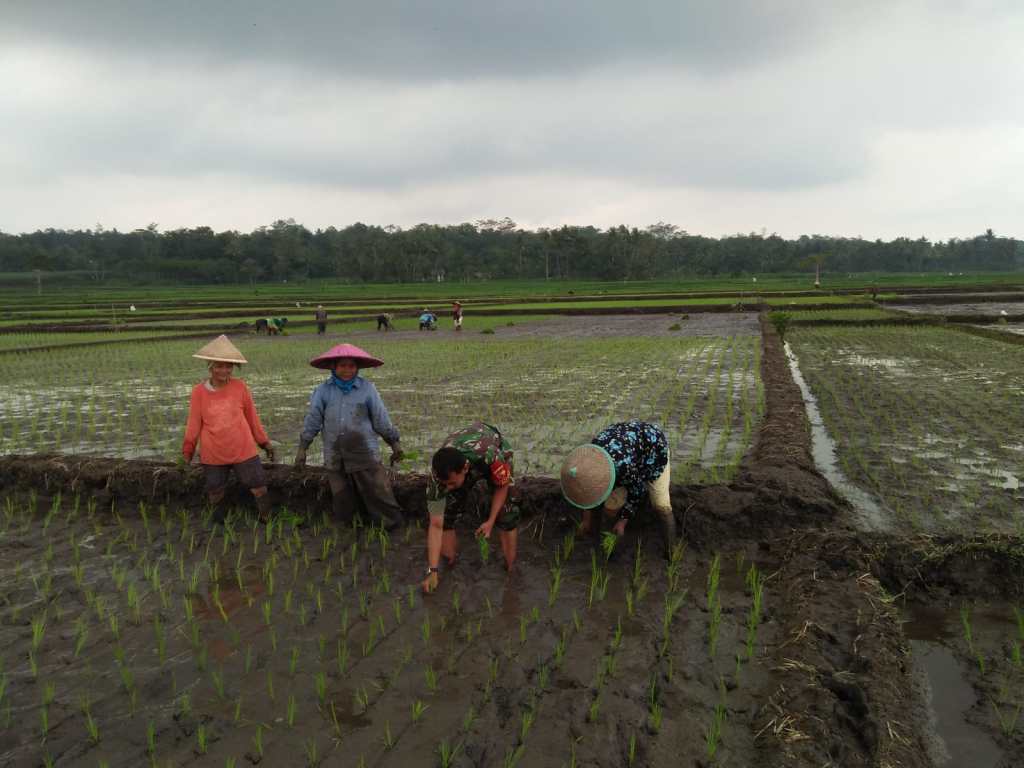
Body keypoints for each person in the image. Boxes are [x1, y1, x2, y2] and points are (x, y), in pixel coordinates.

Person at [293, 343, 405, 530]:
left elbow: (381, 419)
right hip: (335, 452)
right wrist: (302, 448)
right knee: (342, 496)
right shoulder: (323, 391)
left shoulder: (367, 389)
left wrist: (395, 443)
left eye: (351, 366)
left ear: (357, 368)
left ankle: (392, 526)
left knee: (378, 491)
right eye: (342, 366)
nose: (347, 370)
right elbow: (313, 420)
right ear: (333, 367)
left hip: (364, 451)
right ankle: (350, 528)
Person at [181, 335, 275, 522]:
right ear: (210, 367)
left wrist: (264, 443)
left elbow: (252, 418)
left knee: (258, 487)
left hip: (243, 448)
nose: (224, 370)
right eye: (219, 366)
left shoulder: (240, 387)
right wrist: (187, 452)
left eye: (228, 366)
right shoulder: (198, 392)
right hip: (213, 451)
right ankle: (221, 522)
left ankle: (267, 518)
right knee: (215, 490)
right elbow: (193, 424)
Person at [422, 422, 520, 593]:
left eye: (452, 483)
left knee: (507, 513)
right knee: (448, 515)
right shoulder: (437, 479)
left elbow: (502, 486)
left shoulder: (491, 456)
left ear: (465, 469)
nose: (448, 488)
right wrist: (433, 570)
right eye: (445, 484)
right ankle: (450, 560)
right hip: (459, 459)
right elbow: (436, 524)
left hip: (491, 448)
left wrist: (490, 521)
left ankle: (510, 569)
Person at [560, 420, 676, 558]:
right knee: (610, 507)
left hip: (654, 449)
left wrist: (622, 521)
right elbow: (586, 490)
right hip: (628, 448)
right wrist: (586, 521)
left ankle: (671, 553)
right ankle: (604, 542)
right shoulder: (589, 458)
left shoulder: (624, 467)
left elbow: (638, 491)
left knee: (661, 506)